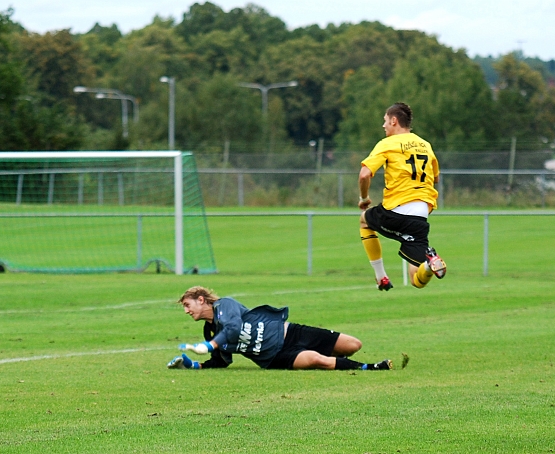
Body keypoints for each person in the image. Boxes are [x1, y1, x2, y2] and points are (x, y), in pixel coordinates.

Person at [167, 286, 406, 371]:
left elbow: (233, 327)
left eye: (188, 305)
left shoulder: (225, 306)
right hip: (276, 356)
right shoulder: (210, 332)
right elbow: (221, 361)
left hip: (290, 332)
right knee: (316, 360)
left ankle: (344, 360)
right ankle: (371, 367)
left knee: (354, 345)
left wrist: (210, 345)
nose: (187, 311)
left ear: (201, 299)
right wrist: (192, 364)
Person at [358, 102, 446, 291]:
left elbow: (364, 174)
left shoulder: (387, 144)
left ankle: (381, 277)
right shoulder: (425, 145)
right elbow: (436, 177)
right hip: (420, 216)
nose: (383, 126)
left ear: (394, 121)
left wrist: (363, 198)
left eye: (385, 121)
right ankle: (431, 265)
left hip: (397, 209)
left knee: (365, 221)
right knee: (417, 279)